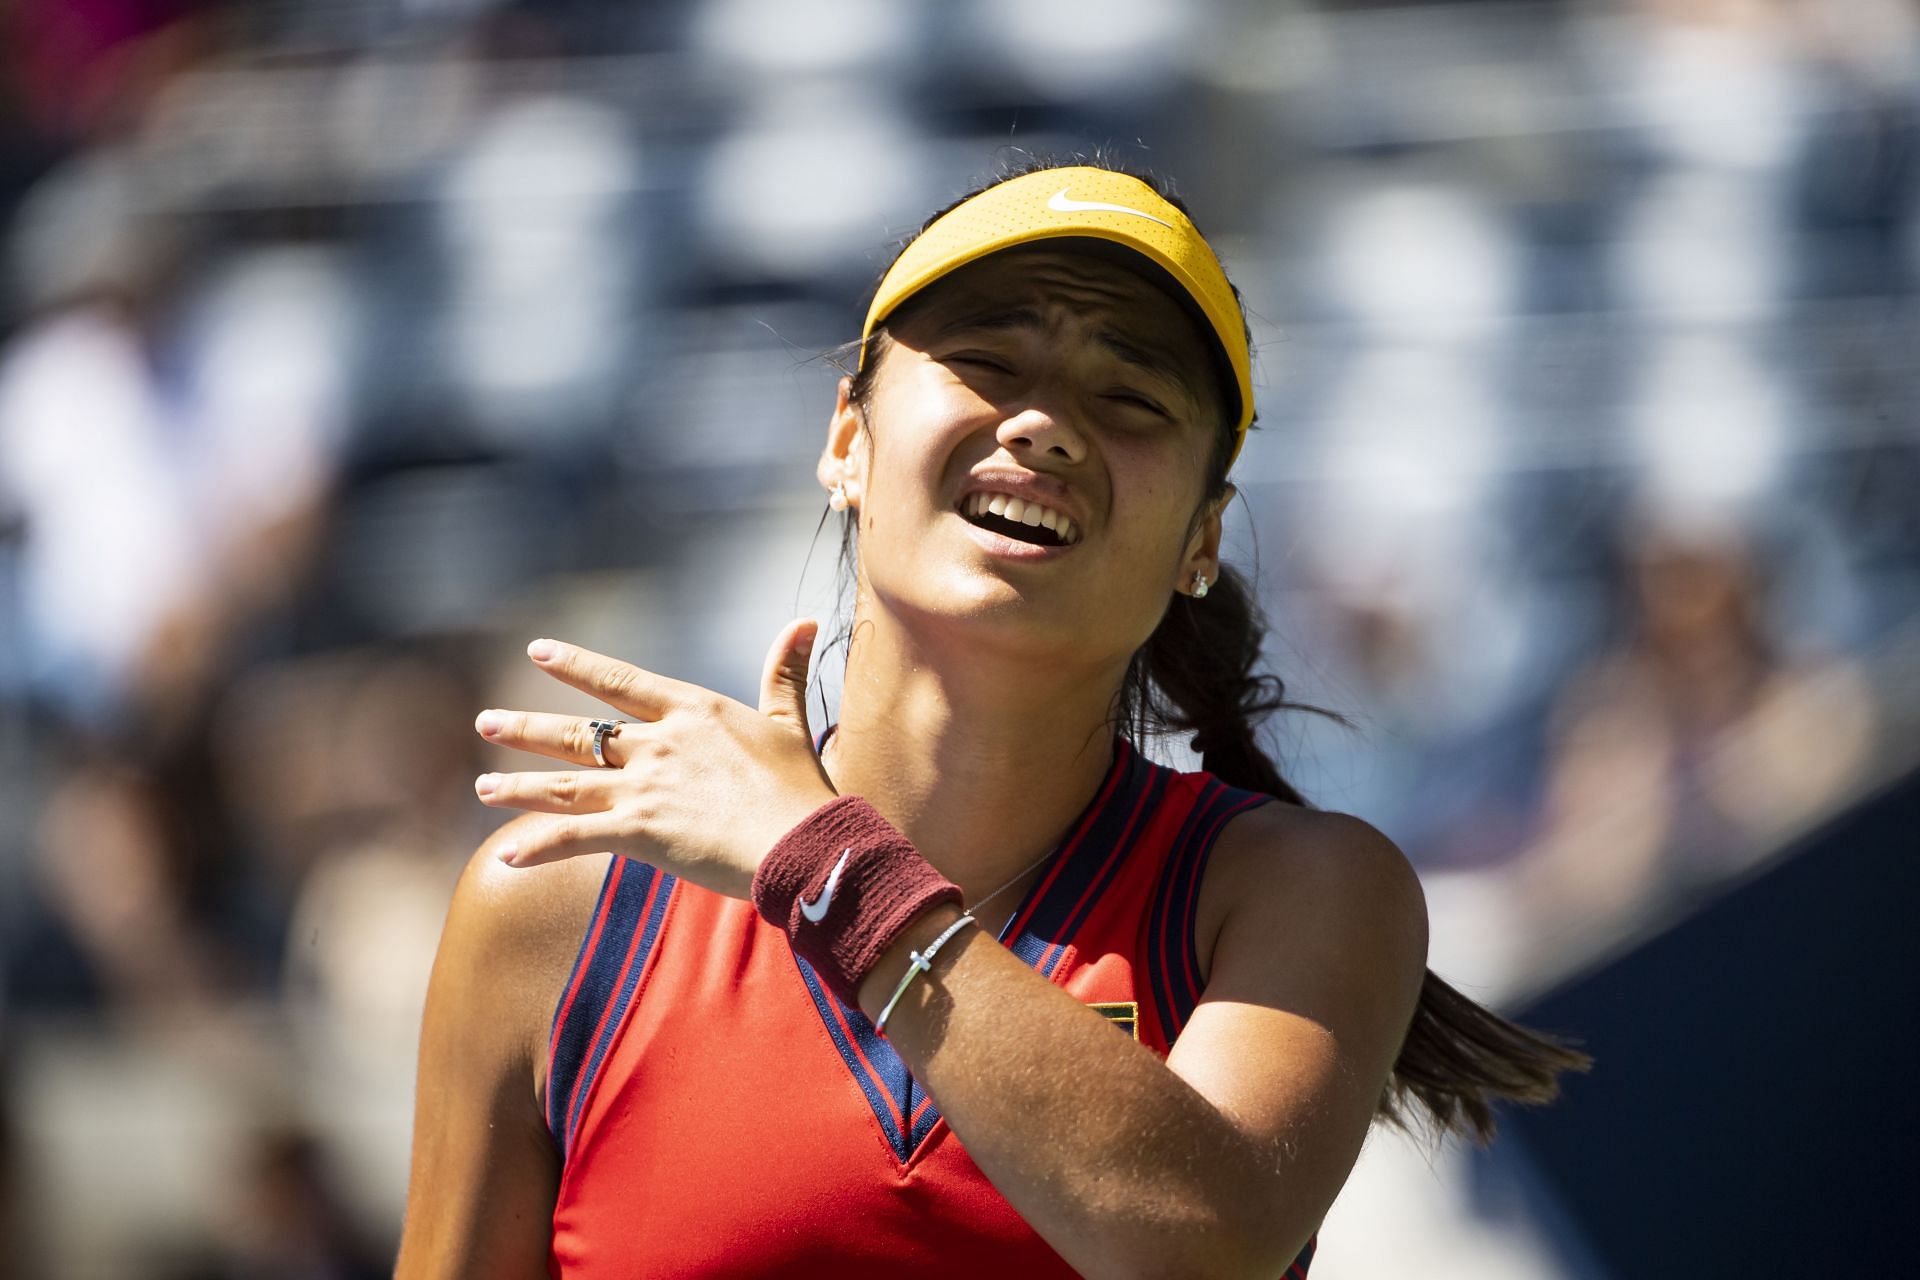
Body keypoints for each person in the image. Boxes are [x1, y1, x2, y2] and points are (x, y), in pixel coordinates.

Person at [394, 160, 1587, 1279]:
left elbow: (1201, 1248)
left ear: (1202, 541)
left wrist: (833, 873)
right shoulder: (557, 906)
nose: (1045, 425)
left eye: (1128, 396)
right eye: (985, 360)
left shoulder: (1299, 891)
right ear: (849, 441)